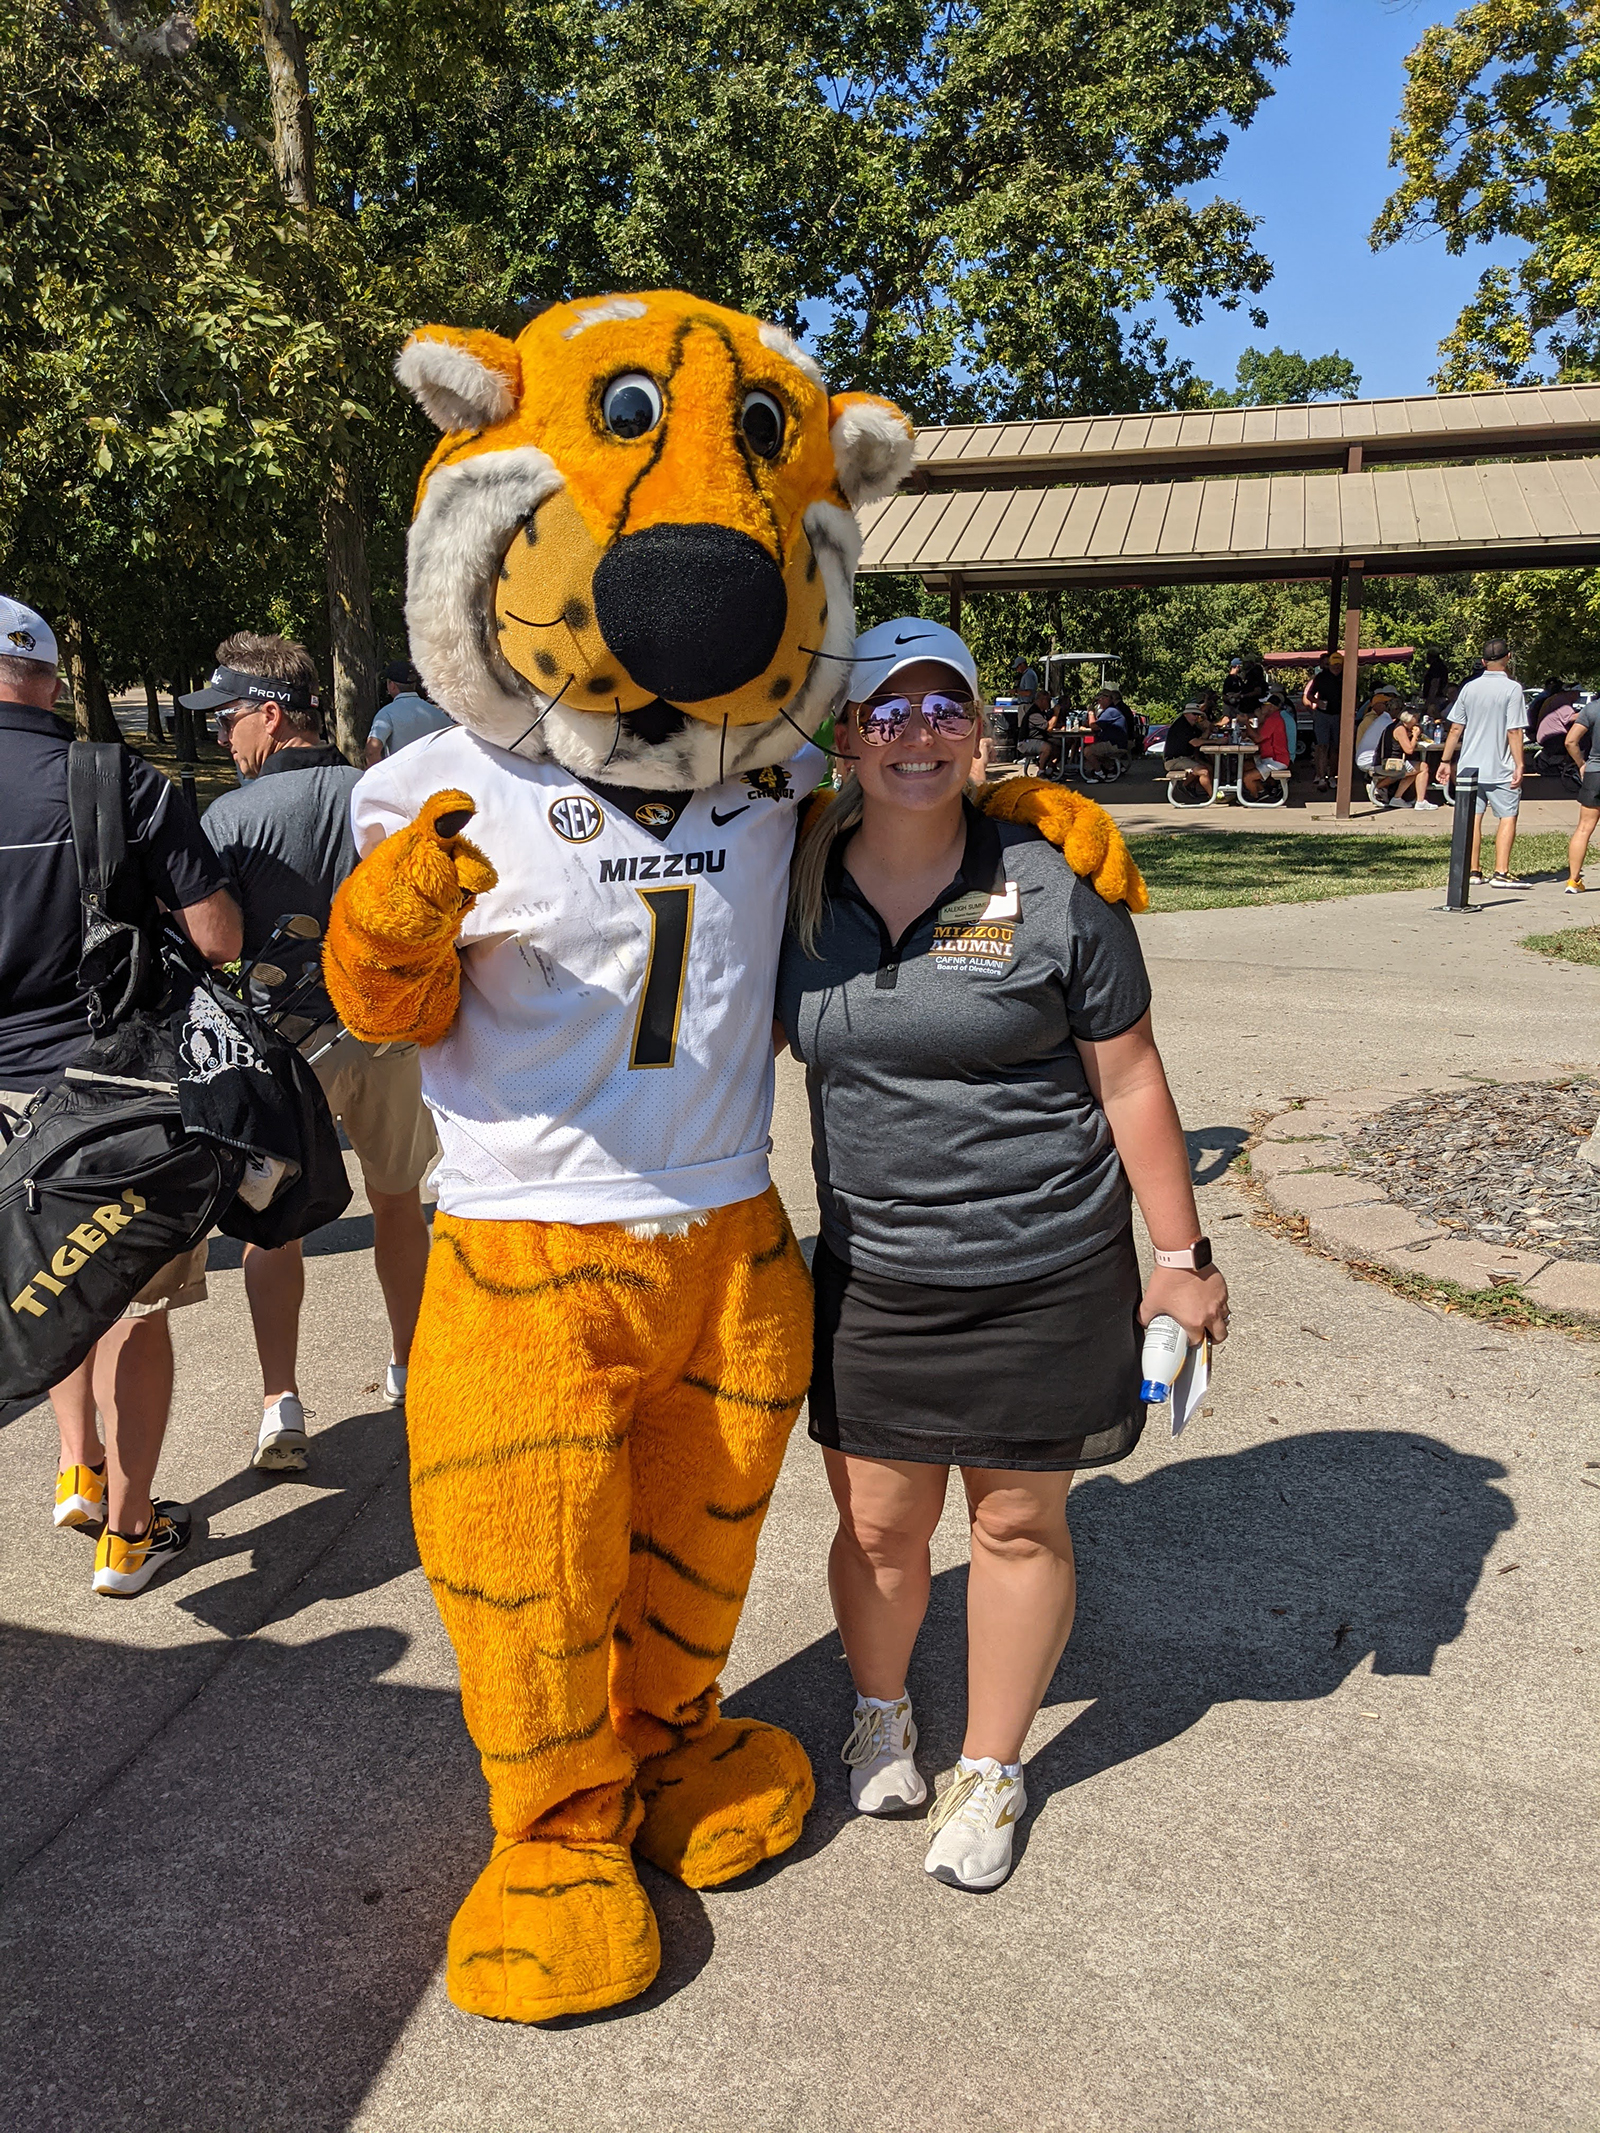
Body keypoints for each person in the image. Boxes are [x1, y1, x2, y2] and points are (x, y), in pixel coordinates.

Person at [776, 618, 1229, 1894]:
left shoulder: (1053, 881)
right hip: (875, 1274)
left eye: (942, 710)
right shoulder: (793, 884)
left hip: (1045, 1268)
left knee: (1018, 1523)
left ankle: (990, 1768)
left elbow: (1130, 1077)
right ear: (846, 736)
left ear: (977, 731)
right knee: (877, 1526)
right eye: (886, 711)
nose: (914, 735)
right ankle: (880, 1712)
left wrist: (1180, 1254)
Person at [0, 597, 242, 1596]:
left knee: (44, 1275)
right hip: (117, 1095)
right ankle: (131, 1538)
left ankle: (76, 1469)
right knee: (139, 1312)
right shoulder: (120, 781)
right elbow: (219, 937)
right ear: (50, 680)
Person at [185, 632, 438, 1471]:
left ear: (270, 713)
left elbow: (212, 944)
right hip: (388, 1038)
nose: (223, 735)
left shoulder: (227, 817)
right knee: (399, 1203)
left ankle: (279, 1402)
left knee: (272, 1230)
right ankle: (412, 1368)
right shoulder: (379, 793)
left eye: (229, 718)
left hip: (281, 1056)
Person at [1438, 638, 1528, 888]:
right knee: (1507, 817)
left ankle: (1474, 871)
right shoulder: (1513, 689)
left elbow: (1455, 728)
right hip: (1501, 767)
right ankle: (1501, 872)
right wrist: (1520, 764)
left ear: (1482, 661)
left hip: (1470, 766)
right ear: (1508, 657)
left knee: (1473, 819)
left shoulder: (1469, 688)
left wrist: (1446, 760)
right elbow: (1514, 731)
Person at [365, 659, 453, 764]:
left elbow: (372, 750)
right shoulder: (437, 713)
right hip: (434, 775)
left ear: (392, 685)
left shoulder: (386, 714)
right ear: (414, 685)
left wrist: (378, 776)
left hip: (400, 776)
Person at [1372, 702, 1439, 810]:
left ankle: (1397, 798)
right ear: (1410, 718)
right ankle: (1420, 801)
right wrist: (1415, 736)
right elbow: (1409, 750)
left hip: (1387, 761)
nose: (1417, 721)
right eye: (1416, 718)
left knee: (1416, 769)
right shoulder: (1400, 729)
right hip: (1388, 764)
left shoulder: (1396, 726)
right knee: (1423, 767)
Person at [1563, 695, 1600, 891]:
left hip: (1595, 773)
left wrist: (1581, 764)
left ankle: (1573, 880)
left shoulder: (1592, 709)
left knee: (1584, 827)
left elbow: (1570, 741)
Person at [1306, 650, 1345, 791]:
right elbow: (1309, 694)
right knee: (1322, 746)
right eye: (1334, 664)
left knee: (1335, 748)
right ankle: (1321, 777)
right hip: (1322, 715)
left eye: (1339, 665)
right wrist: (1317, 701)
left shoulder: (1346, 677)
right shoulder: (1321, 677)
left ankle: (1333, 776)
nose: (1336, 667)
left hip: (1339, 715)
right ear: (1329, 665)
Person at [1241, 692, 1292, 799]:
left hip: (1276, 760)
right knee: (1245, 765)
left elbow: (1257, 738)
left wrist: (1246, 723)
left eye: (1264, 705)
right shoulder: (1270, 718)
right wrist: (1260, 718)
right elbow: (1260, 734)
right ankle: (1262, 791)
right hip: (1268, 757)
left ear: (1271, 707)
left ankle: (1255, 796)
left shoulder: (1274, 719)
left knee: (1247, 777)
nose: (1261, 707)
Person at [1161, 698, 1213, 799]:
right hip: (1174, 760)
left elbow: (1202, 738)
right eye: (1194, 714)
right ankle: (1213, 797)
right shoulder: (1182, 725)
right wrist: (1216, 742)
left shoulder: (1191, 726)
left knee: (1210, 768)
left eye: (1198, 715)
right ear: (1186, 714)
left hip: (1186, 758)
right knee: (1204, 771)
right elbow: (1196, 743)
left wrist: (1208, 728)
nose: (1196, 717)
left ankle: (1187, 786)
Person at [1081, 688, 1131, 780]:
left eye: (1100, 700)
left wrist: (1091, 713)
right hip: (1116, 742)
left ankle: (1099, 773)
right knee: (1095, 746)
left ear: (1107, 699)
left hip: (1115, 744)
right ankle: (1111, 768)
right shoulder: (1111, 711)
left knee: (1088, 751)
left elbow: (1094, 726)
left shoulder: (1111, 711)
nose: (1099, 703)